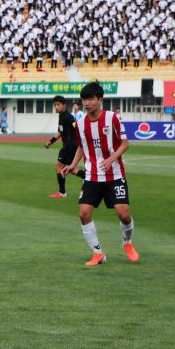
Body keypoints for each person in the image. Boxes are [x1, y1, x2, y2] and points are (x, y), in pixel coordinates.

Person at [61, 81, 139, 266]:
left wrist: (111, 159)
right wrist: (72, 164)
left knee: (123, 214)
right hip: (92, 176)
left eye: (90, 99)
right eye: (84, 99)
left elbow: (125, 143)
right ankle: (98, 254)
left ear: (100, 100)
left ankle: (127, 243)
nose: (86, 103)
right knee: (84, 213)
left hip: (115, 174)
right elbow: (82, 146)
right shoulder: (79, 123)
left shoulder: (113, 118)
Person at [45, 95, 84, 198]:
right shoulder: (61, 117)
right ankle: (88, 178)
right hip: (69, 145)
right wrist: (51, 141)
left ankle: (62, 192)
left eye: (58, 104)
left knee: (58, 166)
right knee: (71, 169)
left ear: (64, 105)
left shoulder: (68, 117)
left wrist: (81, 138)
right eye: (55, 105)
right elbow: (60, 132)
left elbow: (76, 126)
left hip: (70, 145)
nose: (56, 107)